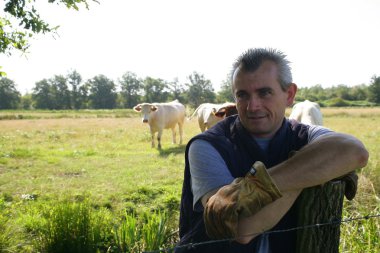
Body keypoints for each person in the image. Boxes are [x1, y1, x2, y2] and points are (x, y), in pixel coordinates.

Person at [176, 48, 369, 253]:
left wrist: (254, 188)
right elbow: (242, 228)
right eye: (242, 95)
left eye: (264, 92)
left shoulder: (305, 135)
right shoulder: (207, 146)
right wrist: (312, 172)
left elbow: (356, 151)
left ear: (290, 95)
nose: (253, 106)